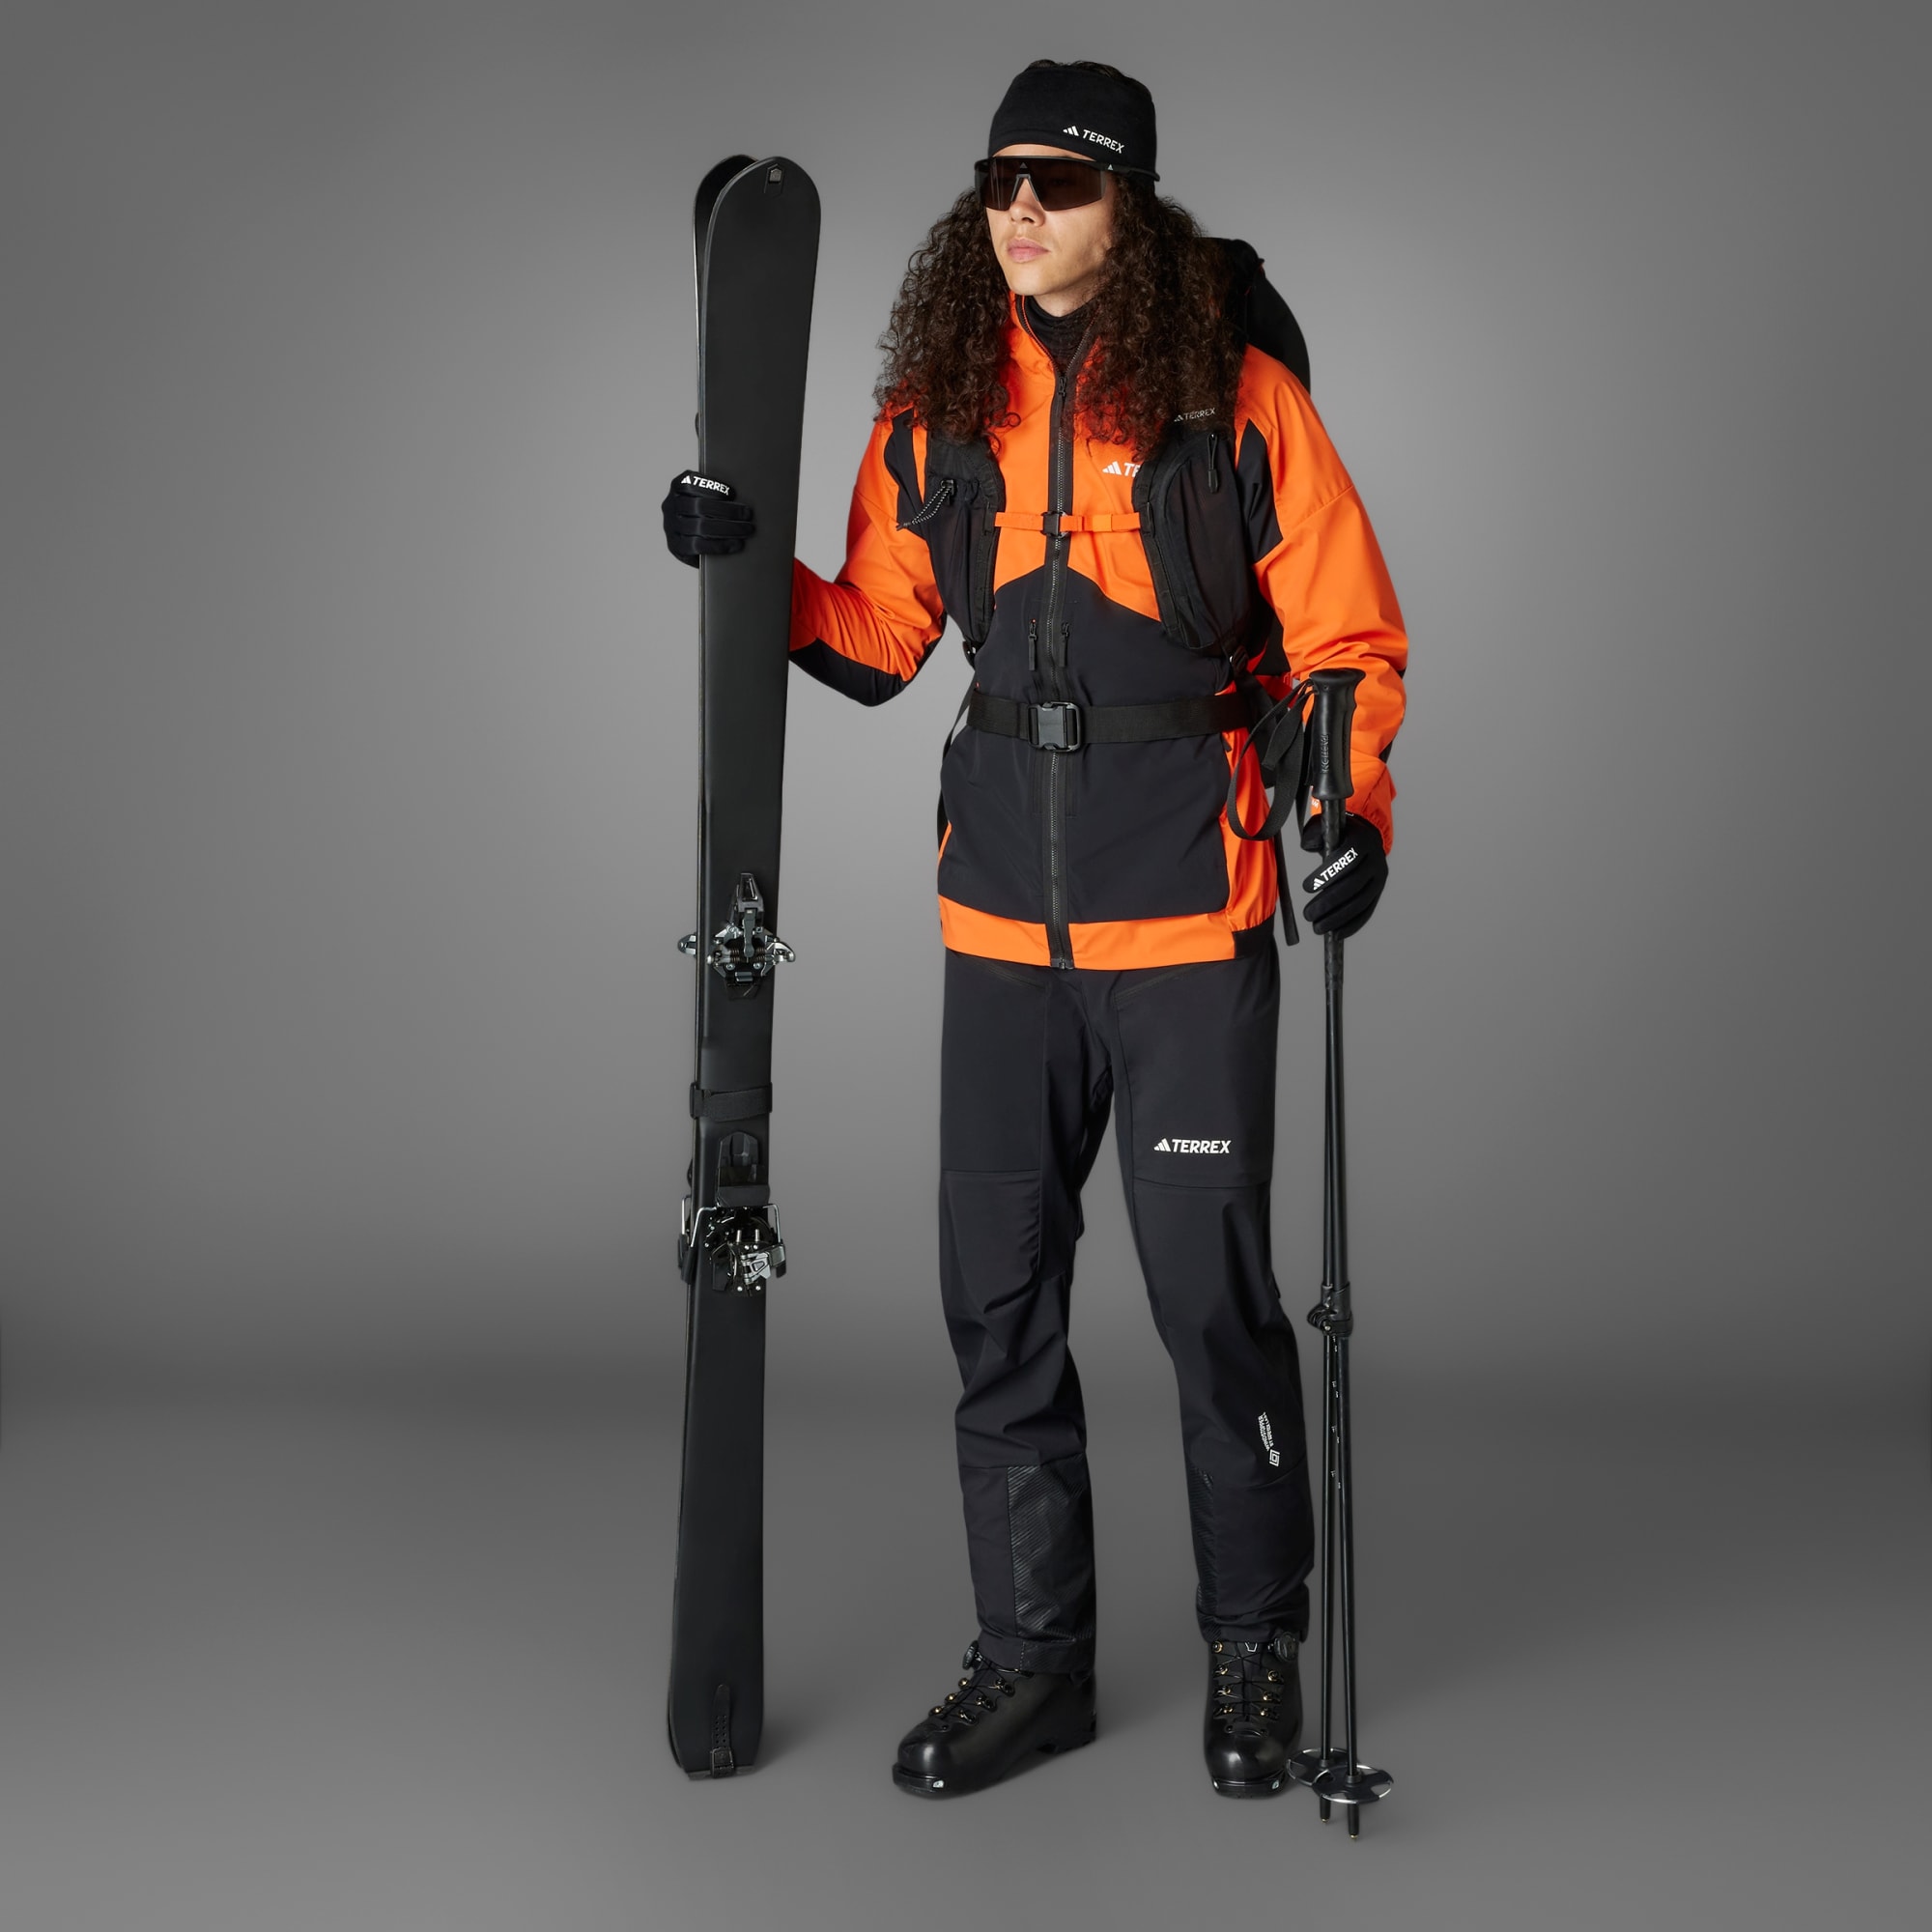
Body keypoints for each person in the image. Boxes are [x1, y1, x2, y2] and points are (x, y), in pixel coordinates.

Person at [663, 59, 1407, 1800]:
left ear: (1126, 208)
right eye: (1001, 179)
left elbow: (1345, 645)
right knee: (994, 1308)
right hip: (1002, 927)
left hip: (1187, 924)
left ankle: (1252, 1653)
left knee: (1213, 1314)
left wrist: (1352, 816)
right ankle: (1031, 1665)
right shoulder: (941, 403)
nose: (1019, 210)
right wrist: (743, 565)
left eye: (1059, 184)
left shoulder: (1236, 401)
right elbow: (874, 637)